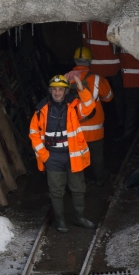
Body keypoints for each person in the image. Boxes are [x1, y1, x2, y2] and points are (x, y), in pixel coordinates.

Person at [29, 74, 97, 233]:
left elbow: (89, 106)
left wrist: (81, 89)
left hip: (73, 155)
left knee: (78, 188)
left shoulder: (74, 105)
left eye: (60, 89)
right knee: (56, 191)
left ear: (66, 91)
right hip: (53, 157)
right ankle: (60, 221)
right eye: (54, 89)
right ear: (50, 90)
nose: (57, 92)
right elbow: (33, 133)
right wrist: (45, 156)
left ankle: (79, 218)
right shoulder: (41, 110)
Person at [69, 46, 114, 186]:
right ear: (90, 61)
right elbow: (108, 97)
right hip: (94, 129)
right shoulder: (97, 79)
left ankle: (78, 182)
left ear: (75, 60)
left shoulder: (63, 78)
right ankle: (100, 180)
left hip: (73, 129)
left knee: (75, 156)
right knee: (97, 157)